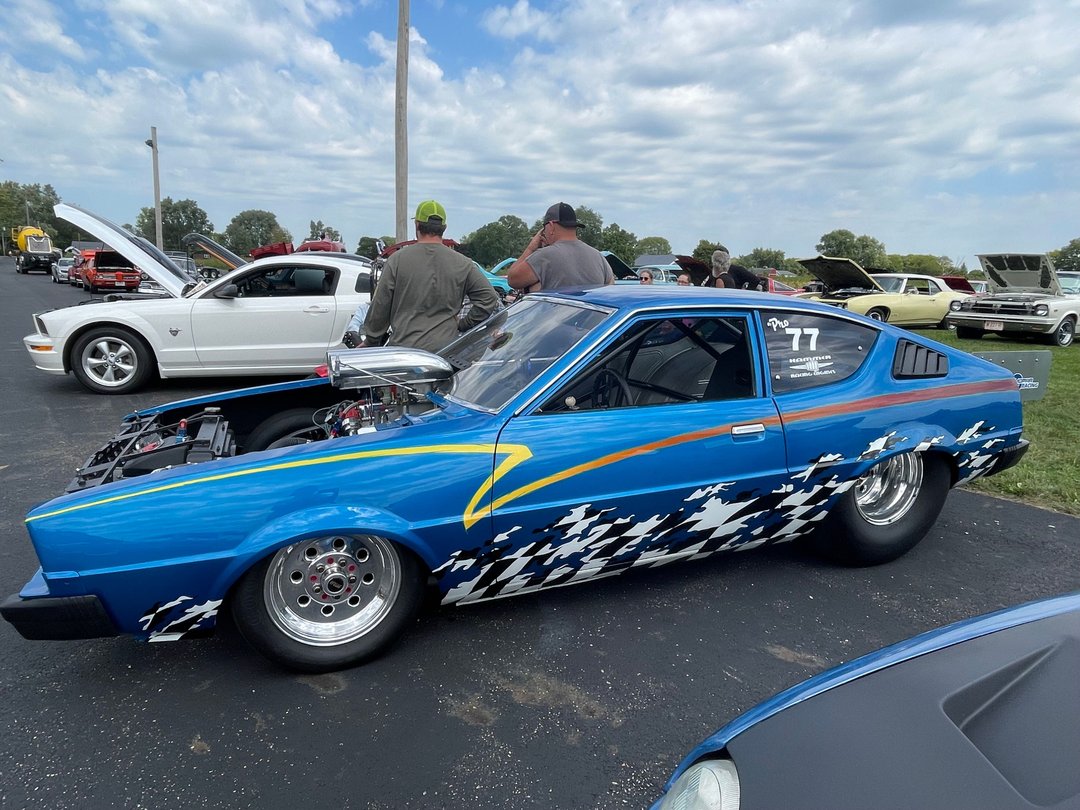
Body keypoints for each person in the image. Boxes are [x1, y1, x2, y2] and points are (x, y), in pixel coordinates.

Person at [362, 200, 499, 353]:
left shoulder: (397, 260)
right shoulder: (464, 263)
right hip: (447, 352)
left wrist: (371, 340)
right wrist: (463, 324)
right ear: (444, 228)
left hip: (405, 351)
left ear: (417, 225)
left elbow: (381, 305)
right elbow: (489, 298)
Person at [507, 202, 614, 292]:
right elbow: (610, 286)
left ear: (551, 226)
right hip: (592, 317)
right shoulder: (598, 256)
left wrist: (531, 248)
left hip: (554, 316)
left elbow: (513, 280)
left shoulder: (544, 256)